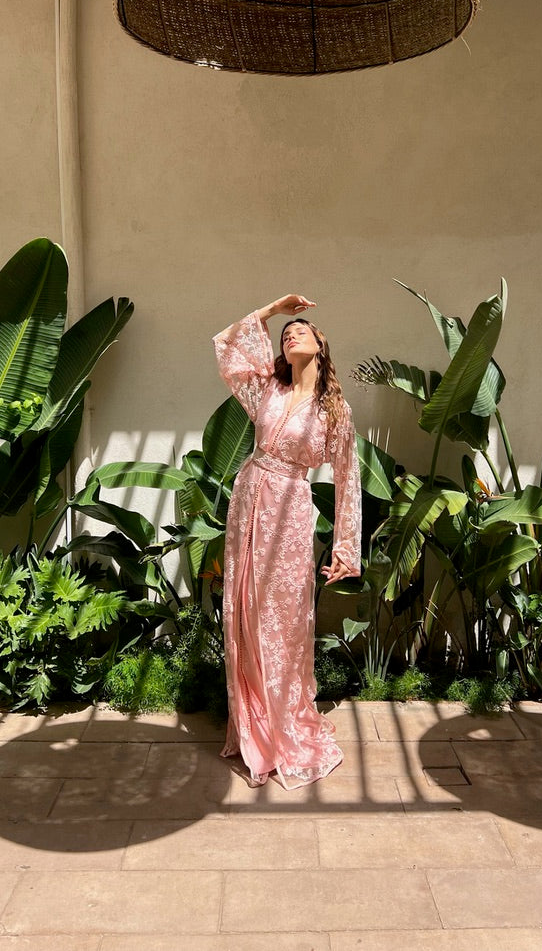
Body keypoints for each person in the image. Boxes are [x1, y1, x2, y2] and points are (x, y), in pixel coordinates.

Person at [211, 293, 362, 790]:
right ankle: (254, 722)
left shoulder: (335, 410)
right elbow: (229, 346)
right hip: (248, 500)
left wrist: (345, 549)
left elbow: (348, 479)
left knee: (284, 619)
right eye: (285, 334)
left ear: (321, 344)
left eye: (301, 329)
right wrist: (274, 308)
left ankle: (284, 721)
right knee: (247, 611)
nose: (291, 333)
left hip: (290, 511)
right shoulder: (267, 390)